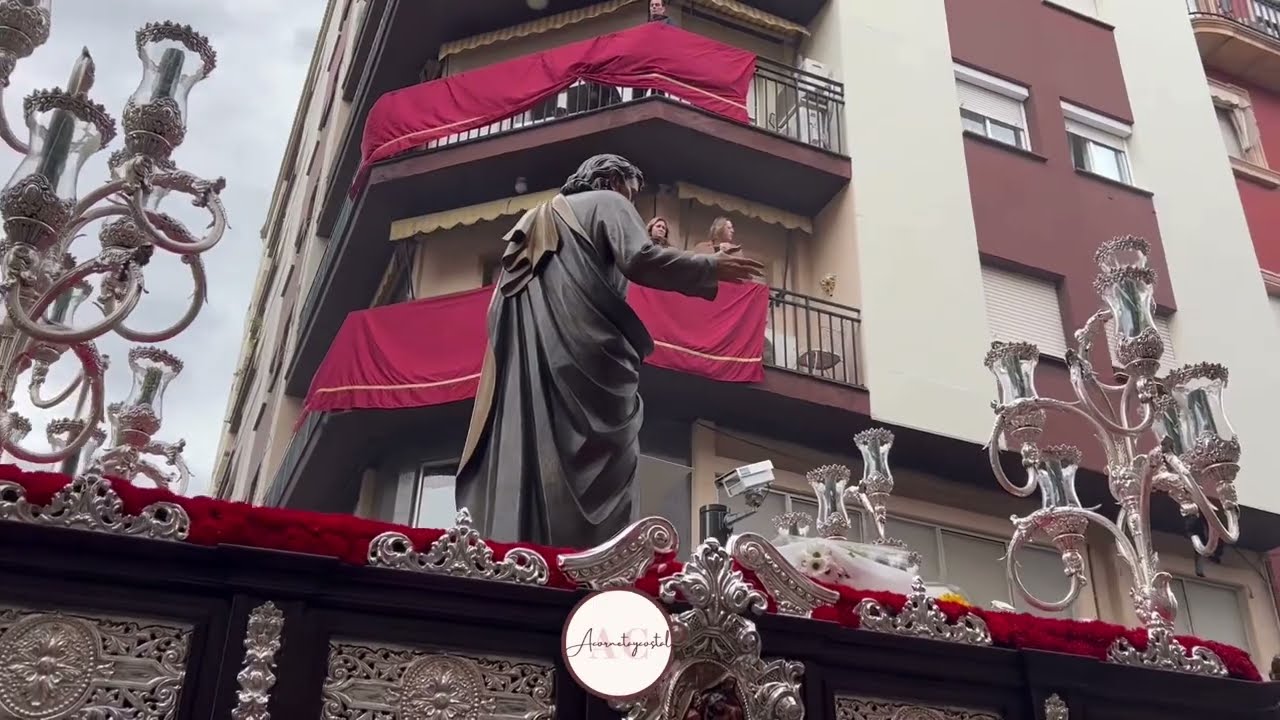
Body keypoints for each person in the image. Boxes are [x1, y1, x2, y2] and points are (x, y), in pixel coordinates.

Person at [455, 154, 764, 547]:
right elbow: (640, 258)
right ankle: (598, 554)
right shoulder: (608, 202)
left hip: (538, 358)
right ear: (612, 180)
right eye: (630, 194)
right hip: (588, 353)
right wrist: (708, 265)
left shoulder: (534, 220)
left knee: (541, 442)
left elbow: (499, 308)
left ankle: (529, 539)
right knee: (605, 457)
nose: (630, 204)